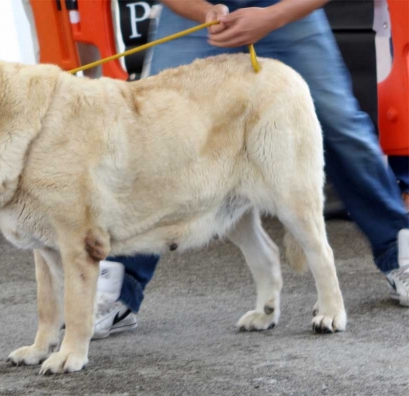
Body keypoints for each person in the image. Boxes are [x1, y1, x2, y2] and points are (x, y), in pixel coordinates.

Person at [92, 0, 409, 339]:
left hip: (289, 9)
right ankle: (119, 287)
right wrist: (203, 12)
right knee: (154, 136)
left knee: (342, 123)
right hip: (197, 13)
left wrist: (275, 15)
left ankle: (398, 250)